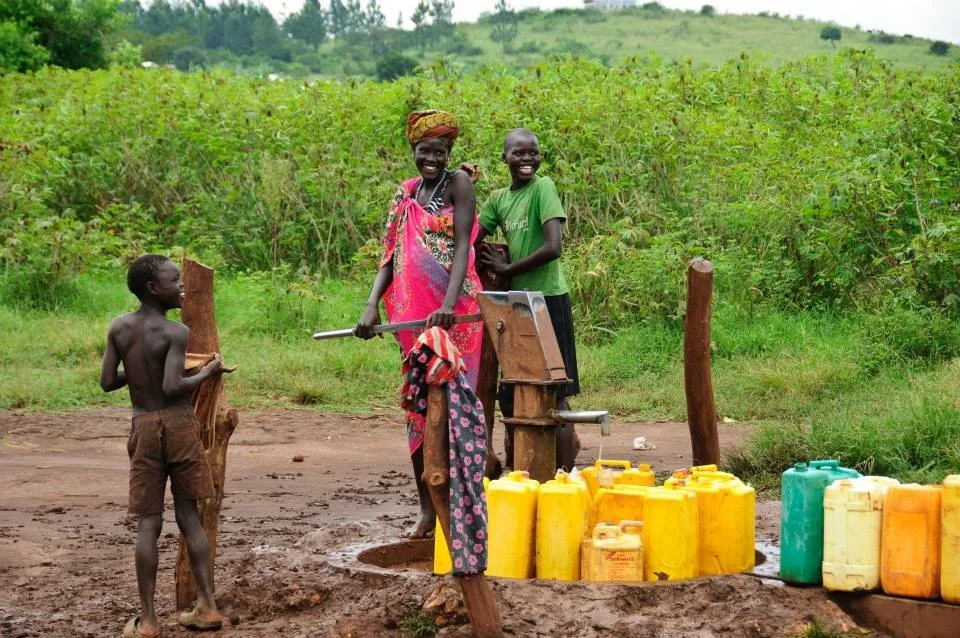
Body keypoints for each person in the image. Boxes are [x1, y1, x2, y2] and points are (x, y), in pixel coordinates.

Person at [354, 110, 484, 539]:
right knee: (418, 411)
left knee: (454, 408)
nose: (432, 159)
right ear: (413, 150)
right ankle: (427, 508)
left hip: (456, 315)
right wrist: (371, 306)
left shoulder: (458, 184)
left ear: (449, 153)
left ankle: (461, 508)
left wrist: (448, 305)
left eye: (440, 152)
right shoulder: (405, 192)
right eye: (425, 151)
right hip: (410, 320)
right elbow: (389, 254)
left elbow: (463, 246)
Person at [100, 254, 229, 637]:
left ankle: (148, 621)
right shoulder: (175, 332)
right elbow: (173, 386)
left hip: (143, 425)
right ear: (154, 289)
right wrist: (208, 372)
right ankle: (207, 607)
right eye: (175, 281)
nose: (182, 286)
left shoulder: (119, 327)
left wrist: (138, 369)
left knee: (148, 523)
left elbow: (108, 382)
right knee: (189, 515)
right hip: (178, 425)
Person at [475, 128, 581, 471]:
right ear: (504, 158)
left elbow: (553, 247)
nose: (527, 159)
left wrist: (507, 268)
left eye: (533, 153)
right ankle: (522, 468)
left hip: (547, 299)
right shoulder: (499, 199)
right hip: (516, 305)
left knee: (554, 393)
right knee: (512, 394)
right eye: (518, 153)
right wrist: (463, 187)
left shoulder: (542, 188)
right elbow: (472, 235)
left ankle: (564, 475)